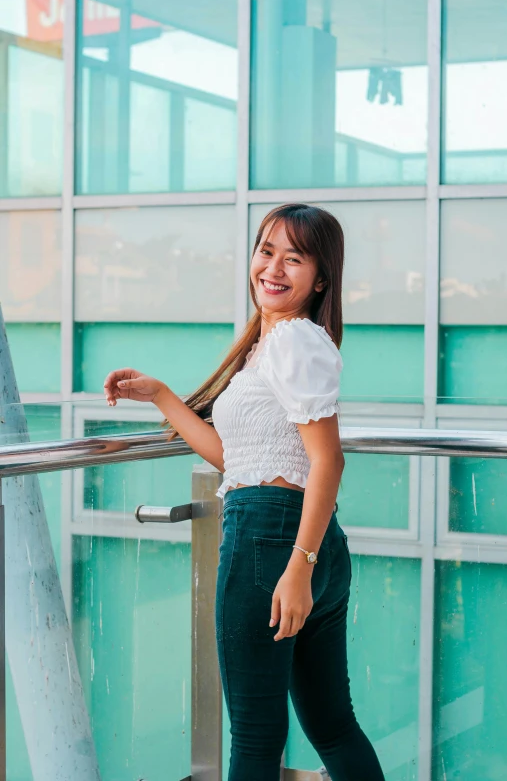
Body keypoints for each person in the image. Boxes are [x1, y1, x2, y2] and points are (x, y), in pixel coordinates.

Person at [103, 203, 385, 781]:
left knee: (255, 739)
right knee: (331, 724)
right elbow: (240, 459)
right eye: (266, 251)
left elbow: (327, 460)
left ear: (320, 279)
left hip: (274, 539)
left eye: (295, 258)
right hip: (303, 539)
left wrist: (298, 567)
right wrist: (161, 395)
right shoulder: (272, 343)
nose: (273, 268)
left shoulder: (294, 342)